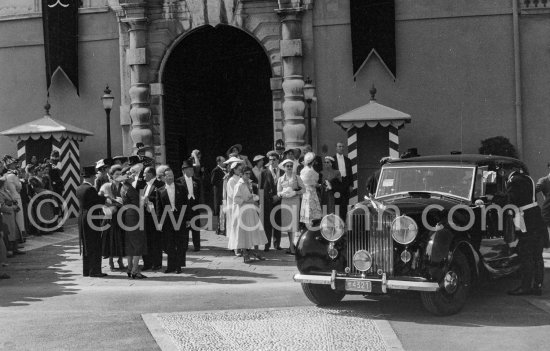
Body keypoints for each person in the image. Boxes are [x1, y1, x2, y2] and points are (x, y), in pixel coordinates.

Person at [497, 166, 546, 296]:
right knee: (537, 255)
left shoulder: (513, 180)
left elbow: (511, 200)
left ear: (506, 170)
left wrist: (497, 199)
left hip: (526, 219)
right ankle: (538, 286)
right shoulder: (526, 178)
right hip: (535, 216)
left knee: (526, 254)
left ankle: (525, 287)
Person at [230, 167, 267, 262]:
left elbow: (250, 195)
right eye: (246, 173)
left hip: (251, 209)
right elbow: (236, 199)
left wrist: (253, 199)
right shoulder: (239, 185)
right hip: (242, 210)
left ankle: (256, 251)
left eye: (249, 173)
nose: (248, 175)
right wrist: (247, 200)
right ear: (241, 174)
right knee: (243, 232)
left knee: (255, 229)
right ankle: (245, 253)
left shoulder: (249, 183)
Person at [76, 165, 107, 277]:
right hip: (91, 218)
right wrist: (105, 198)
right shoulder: (90, 189)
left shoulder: (79, 188)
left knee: (86, 244)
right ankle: (95, 270)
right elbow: (97, 202)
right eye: (94, 175)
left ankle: (87, 270)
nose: (95, 177)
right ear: (91, 176)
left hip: (82, 217)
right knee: (95, 243)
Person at [156, 167, 187, 274]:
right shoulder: (160, 191)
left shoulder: (181, 188)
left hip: (179, 217)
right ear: (164, 177)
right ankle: (170, 266)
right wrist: (159, 222)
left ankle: (178, 266)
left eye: (172, 175)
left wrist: (187, 219)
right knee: (169, 244)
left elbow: (185, 204)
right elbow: (158, 208)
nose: (170, 177)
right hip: (167, 220)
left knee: (179, 242)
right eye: (168, 176)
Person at [120, 165, 147, 279]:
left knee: (130, 243)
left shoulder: (124, 187)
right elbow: (137, 204)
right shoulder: (130, 188)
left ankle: (130, 267)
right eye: (131, 173)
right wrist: (144, 201)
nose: (133, 175)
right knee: (138, 243)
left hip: (128, 216)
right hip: (134, 216)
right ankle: (135, 270)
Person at [99, 165, 126, 271]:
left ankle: (120, 261)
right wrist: (111, 203)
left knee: (121, 238)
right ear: (112, 175)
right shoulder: (106, 186)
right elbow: (102, 198)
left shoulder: (124, 186)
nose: (119, 176)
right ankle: (111, 262)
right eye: (116, 174)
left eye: (120, 174)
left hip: (122, 215)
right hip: (110, 216)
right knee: (111, 239)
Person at [277, 158, 305, 255]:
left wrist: (295, 192)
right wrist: (282, 194)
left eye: (291, 166)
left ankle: (293, 247)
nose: (289, 167)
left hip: (294, 202)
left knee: (294, 225)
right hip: (285, 202)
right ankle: (291, 245)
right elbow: (278, 192)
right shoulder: (280, 179)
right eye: (287, 166)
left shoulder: (297, 177)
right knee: (288, 225)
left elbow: (304, 189)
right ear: (284, 168)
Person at [141, 166, 164, 271]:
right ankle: (148, 263)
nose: (143, 175)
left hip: (155, 217)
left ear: (150, 174)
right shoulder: (145, 186)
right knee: (147, 241)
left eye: (145, 174)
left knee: (156, 241)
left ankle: (157, 263)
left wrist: (148, 200)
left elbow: (161, 200)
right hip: (146, 217)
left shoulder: (159, 185)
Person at [177, 159, 202, 251]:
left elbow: (199, 193)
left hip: (194, 205)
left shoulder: (197, 181)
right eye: (189, 169)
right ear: (184, 170)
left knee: (196, 226)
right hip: (184, 206)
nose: (192, 171)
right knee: (185, 227)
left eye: (192, 169)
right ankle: (185, 245)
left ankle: (197, 245)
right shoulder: (179, 181)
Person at [260, 151, 282, 251]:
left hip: (279, 200)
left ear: (278, 160)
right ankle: (267, 245)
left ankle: (277, 244)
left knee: (277, 222)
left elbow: (285, 186)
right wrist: (262, 202)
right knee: (267, 224)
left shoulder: (282, 172)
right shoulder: (263, 172)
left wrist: (278, 196)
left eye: (274, 160)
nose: (272, 161)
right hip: (267, 202)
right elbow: (260, 189)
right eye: (270, 160)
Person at [2, 155, 26, 241]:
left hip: (8, 197)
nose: (15, 165)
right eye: (13, 164)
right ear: (10, 165)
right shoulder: (13, 175)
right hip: (16, 196)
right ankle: (20, 236)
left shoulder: (5, 175)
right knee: (19, 218)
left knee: (14, 219)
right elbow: (19, 187)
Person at [0, 177, 24, 256]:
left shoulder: (7, 191)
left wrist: (14, 203)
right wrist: (11, 207)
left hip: (12, 214)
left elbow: (12, 200)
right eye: (5, 182)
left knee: (14, 232)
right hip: (6, 215)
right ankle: (9, 250)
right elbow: (2, 207)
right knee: (8, 233)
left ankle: (15, 248)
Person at [226, 159, 245, 255]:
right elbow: (231, 194)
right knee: (235, 226)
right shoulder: (231, 180)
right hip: (235, 206)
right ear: (234, 170)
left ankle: (242, 246)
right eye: (238, 169)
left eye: (240, 169)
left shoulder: (240, 179)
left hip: (242, 205)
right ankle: (235, 248)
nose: (240, 171)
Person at [300, 152, 323, 229]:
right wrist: (319, 185)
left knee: (308, 211)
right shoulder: (309, 171)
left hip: (306, 192)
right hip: (310, 192)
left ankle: (308, 227)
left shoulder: (303, 170)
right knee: (310, 212)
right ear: (313, 161)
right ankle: (310, 228)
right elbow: (314, 183)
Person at [332, 142, 353, 220]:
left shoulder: (348, 160)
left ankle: (344, 220)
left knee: (345, 202)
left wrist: (351, 185)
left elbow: (350, 173)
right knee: (337, 202)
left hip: (345, 182)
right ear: (336, 148)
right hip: (337, 183)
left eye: (342, 146)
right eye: (339, 146)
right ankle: (337, 220)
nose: (341, 148)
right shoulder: (332, 160)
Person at [211, 156, 226, 235]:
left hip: (224, 192)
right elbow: (213, 181)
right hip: (219, 193)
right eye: (223, 161)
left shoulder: (225, 170)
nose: (224, 162)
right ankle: (219, 229)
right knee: (219, 210)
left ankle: (222, 228)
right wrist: (223, 181)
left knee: (223, 210)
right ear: (219, 162)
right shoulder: (216, 170)